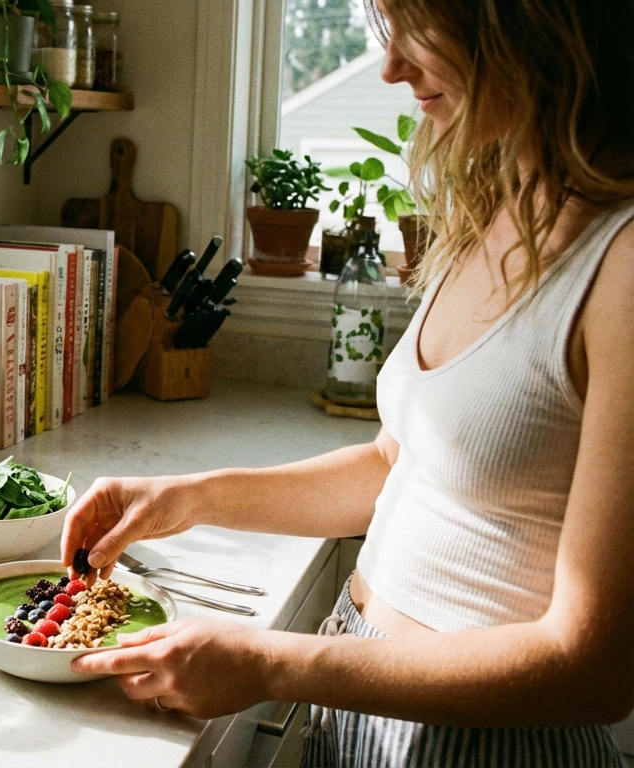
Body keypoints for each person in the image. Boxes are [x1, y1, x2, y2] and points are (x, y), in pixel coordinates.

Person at [62, 1, 634, 765]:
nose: (392, 66)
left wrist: (272, 661)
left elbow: (594, 671)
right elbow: (394, 468)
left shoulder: (620, 264)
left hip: (490, 746)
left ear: (528, 23)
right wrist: (187, 498)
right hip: (366, 697)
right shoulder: (501, 209)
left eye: (421, 28)